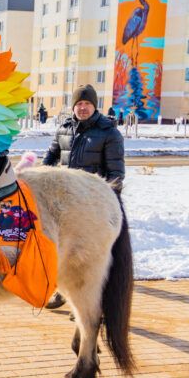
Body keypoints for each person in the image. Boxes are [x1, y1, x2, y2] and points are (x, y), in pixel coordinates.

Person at [42, 84, 125, 309]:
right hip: (66, 203)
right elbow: (49, 158)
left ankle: (84, 303)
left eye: (87, 104)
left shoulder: (109, 132)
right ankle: (61, 291)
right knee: (64, 250)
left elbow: (116, 174)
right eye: (79, 104)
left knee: (88, 258)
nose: (83, 108)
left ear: (94, 106)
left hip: (93, 206)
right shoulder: (65, 128)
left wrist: (108, 204)